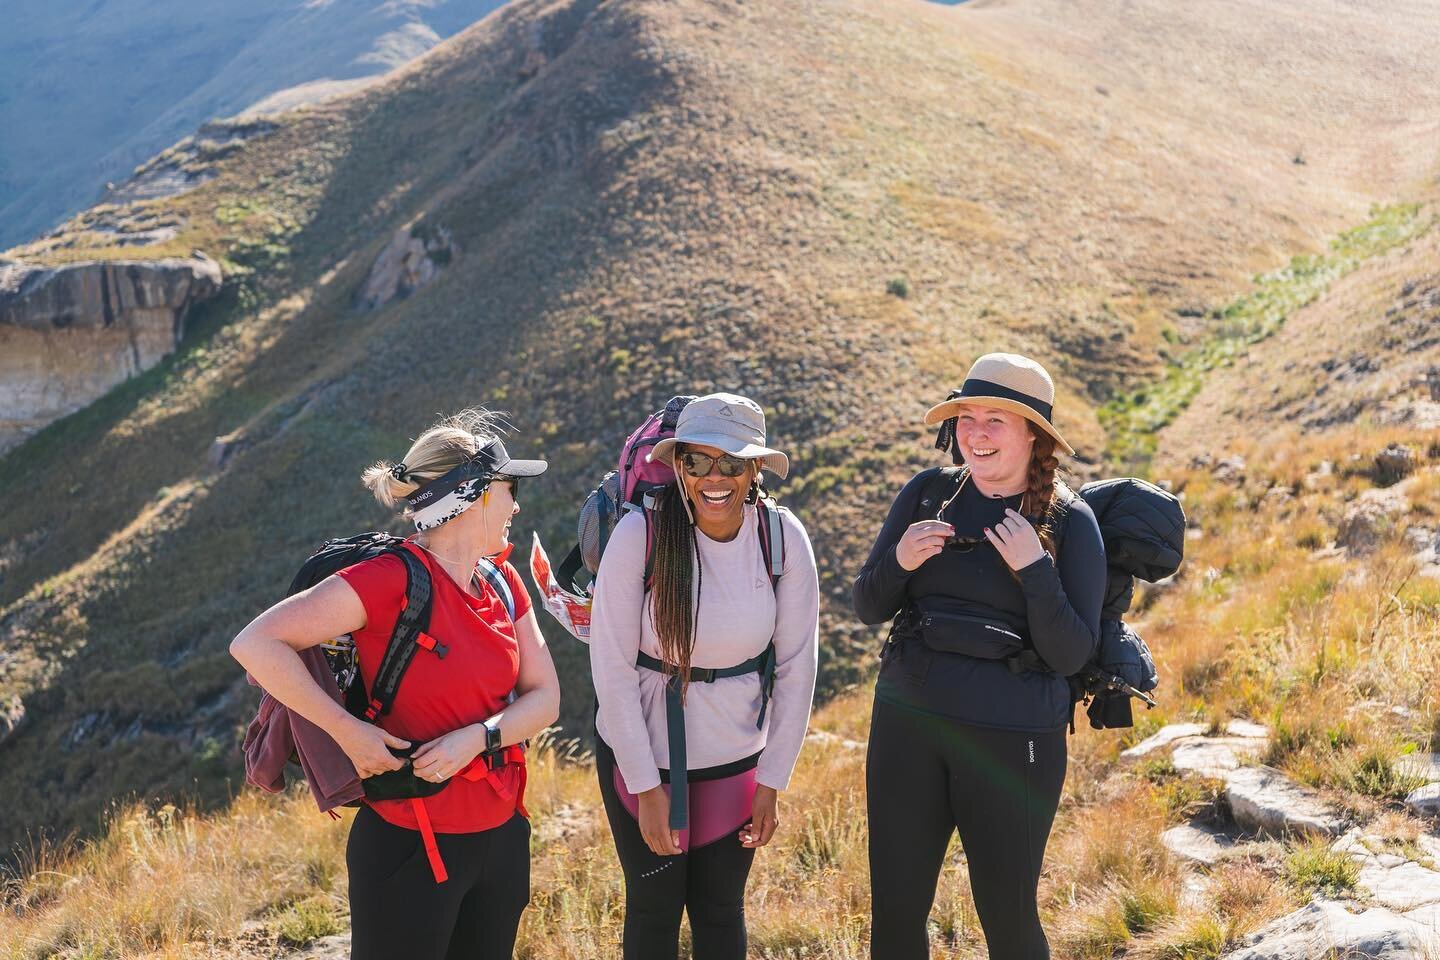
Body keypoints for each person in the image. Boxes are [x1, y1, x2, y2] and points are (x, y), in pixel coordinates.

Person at [230, 409, 560, 960]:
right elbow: (255, 643)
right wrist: (349, 732)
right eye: (510, 489)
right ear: (474, 495)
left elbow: (546, 698)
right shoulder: (390, 580)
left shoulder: (503, 582)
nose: (517, 505)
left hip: (501, 838)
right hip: (409, 842)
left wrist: (477, 739)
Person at [853, 354, 1105, 960]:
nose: (977, 433)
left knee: (1007, 915)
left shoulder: (1070, 522)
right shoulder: (927, 494)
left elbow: (1073, 654)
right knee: (895, 911)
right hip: (907, 730)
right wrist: (902, 561)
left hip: (1013, 740)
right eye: (967, 417)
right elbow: (868, 604)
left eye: (997, 419)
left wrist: (1035, 571)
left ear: (1033, 436)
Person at [589, 392, 820, 960]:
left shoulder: (783, 538)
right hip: (644, 762)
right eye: (697, 461)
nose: (714, 478)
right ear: (678, 467)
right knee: (654, 912)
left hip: (738, 764)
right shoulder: (638, 537)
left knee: (720, 913)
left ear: (756, 469)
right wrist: (646, 787)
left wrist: (772, 781)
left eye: (732, 463)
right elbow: (612, 669)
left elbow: (797, 666)